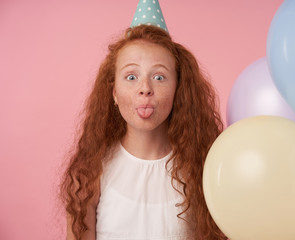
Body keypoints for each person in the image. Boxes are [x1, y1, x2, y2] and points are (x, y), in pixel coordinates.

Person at [60, 25, 226, 240]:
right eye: (131, 77)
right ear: (114, 93)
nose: (145, 88)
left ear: (179, 90)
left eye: (159, 77)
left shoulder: (201, 170)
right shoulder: (88, 174)